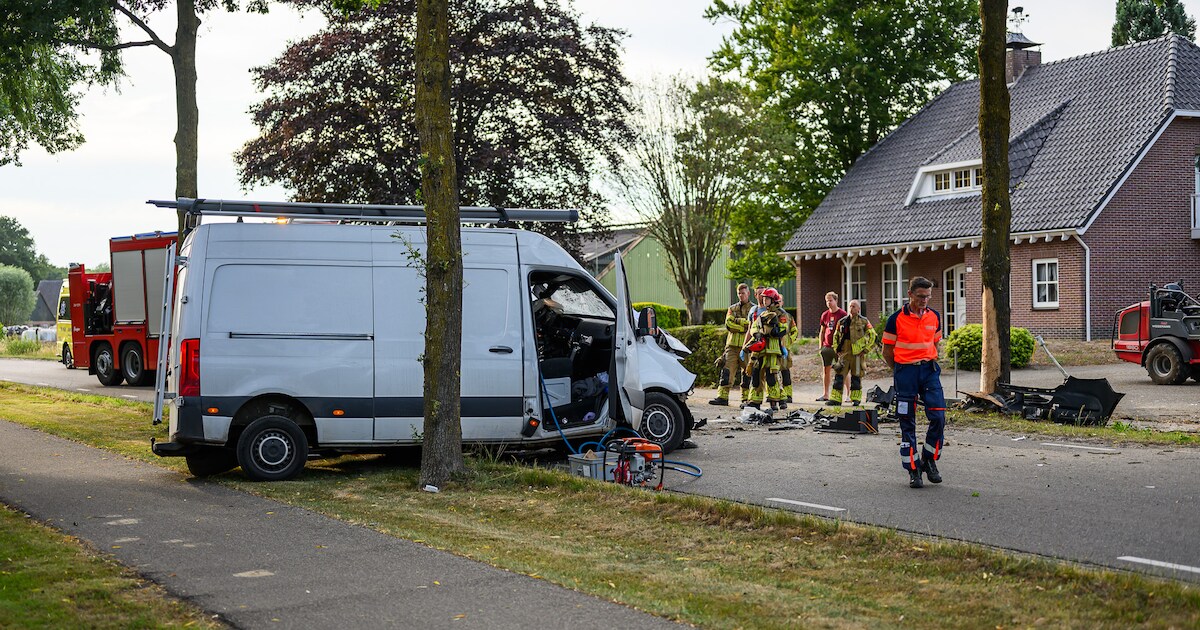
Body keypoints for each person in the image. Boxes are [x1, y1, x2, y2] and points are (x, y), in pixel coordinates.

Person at [882, 277, 946, 489]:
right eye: (920, 296)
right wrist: (899, 370)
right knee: (907, 421)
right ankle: (913, 469)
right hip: (905, 372)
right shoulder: (895, 319)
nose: (924, 300)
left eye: (927, 296)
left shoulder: (934, 316)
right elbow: (887, 351)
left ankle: (929, 459)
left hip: (929, 371)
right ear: (910, 294)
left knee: (939, 416)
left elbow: (935, 343)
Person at [826, 299, 876, 406]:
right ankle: (835, 399)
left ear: (858, 309)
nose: (851, 308)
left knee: (856, 377)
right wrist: (836, 349)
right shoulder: (842, 321)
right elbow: (836, 336)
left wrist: (866, 349)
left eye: (854, 306)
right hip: (844, 353)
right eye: (850, 306)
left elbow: (873, 335)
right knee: (839, 376)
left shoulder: (864, 321)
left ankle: (856, 399)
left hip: (857, 354)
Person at [709, 283, 753, 406]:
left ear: (748, 293)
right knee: (726, 372)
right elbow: (728, 324)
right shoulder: (732, 308)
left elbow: (752, 325)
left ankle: (746, 399)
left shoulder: (753, 309)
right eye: (739, 293)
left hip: (747, 347)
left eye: (743, 293)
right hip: (732, 346)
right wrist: (743, 326)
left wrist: (737, 321)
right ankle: (722, 397)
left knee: (747, 373)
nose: (741, 295)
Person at [747, 287, 790, 410]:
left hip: (773, 350)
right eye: (763, 298)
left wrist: (771, 330)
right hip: (760, 350)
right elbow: (754, 326)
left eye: (766, 298)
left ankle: (774, 401)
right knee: (756, 374)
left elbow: (783, 329)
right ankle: (755, 401)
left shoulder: (781, 313)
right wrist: (756, 333)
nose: (764, 300)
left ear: (773, 300)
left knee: (772, 376)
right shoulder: (763, 314)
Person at [817, 292, 847, 402]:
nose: (829, 303)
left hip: (839, 348)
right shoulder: (825, 315)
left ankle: (848, 394)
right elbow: (822, 331)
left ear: (836, 301)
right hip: (827, 346)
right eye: (827, 301)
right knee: (826, 370)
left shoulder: (842, 314)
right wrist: (820, 346)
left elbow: (846, 332)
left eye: (830, 300)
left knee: (843, 370)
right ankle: (825, 394)